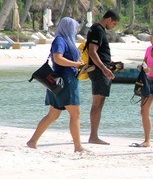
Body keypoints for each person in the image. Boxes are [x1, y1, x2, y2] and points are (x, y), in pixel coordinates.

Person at [27, 17, 86, 152]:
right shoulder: (60, 40)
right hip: (65, 82)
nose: (75, 31)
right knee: (75, 114)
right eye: (74, 28)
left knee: (53, 115)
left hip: (58, 82)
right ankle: (78, 147)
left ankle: (32, 141)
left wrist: (78, 64)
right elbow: (58, 58)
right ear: (68, 28)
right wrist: (75, 64)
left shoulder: (66, 41)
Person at [86, 9, 119, 145]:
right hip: (99, 71)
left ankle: (94, 135)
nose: (113, 27)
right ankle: (93, 136)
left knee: (99, 103)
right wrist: (104, 68)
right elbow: (92, 52)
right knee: (97, 103)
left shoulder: (97, 29)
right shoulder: (98, 30)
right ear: (109, 19)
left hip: (101, 70)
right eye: (114, 24)